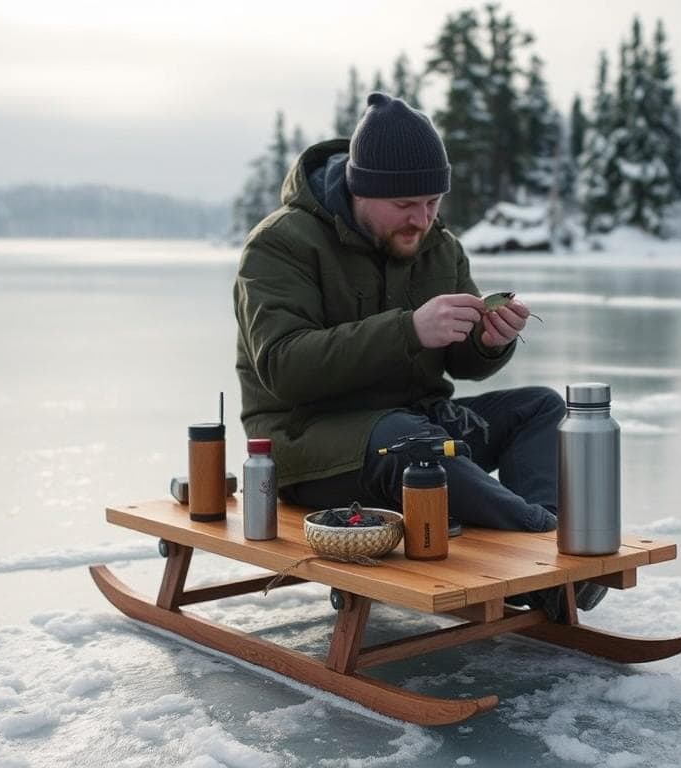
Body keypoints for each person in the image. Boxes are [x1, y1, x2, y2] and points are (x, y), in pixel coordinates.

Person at [234, 92, 605, 614]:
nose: (421, 220)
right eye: (405, 206)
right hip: (309, 442)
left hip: (417, 428)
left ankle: (537, 565)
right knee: (415, 446)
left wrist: (488, 341)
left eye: (432, 203)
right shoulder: (280, 245)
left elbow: (462, 365)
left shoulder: (441, 246)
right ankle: (548, 547)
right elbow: (283, 367)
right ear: (361, 190)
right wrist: (409, 330)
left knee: (541, 408)